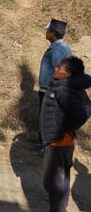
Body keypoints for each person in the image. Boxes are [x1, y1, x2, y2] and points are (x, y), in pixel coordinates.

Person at [33, 56, 90, 212]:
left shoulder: (64, 89)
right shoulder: (74, 87)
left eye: (60, 68)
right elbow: (87, 107)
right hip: (64, 139)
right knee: (62, 178)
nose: (56, 68)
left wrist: (64, 128)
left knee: (53, 180)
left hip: (57, 141)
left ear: (68, 73)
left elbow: (81, 114)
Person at [37, 18, 72, 151]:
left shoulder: (58, 50)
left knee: (48, 118)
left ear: (52, 33)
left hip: (50, 90)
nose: (46, 32)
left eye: (47, 30)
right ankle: (42, 142)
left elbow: (60, 73)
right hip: (48, 89)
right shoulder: (58, 47)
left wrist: (53, 91)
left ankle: (45, 146)